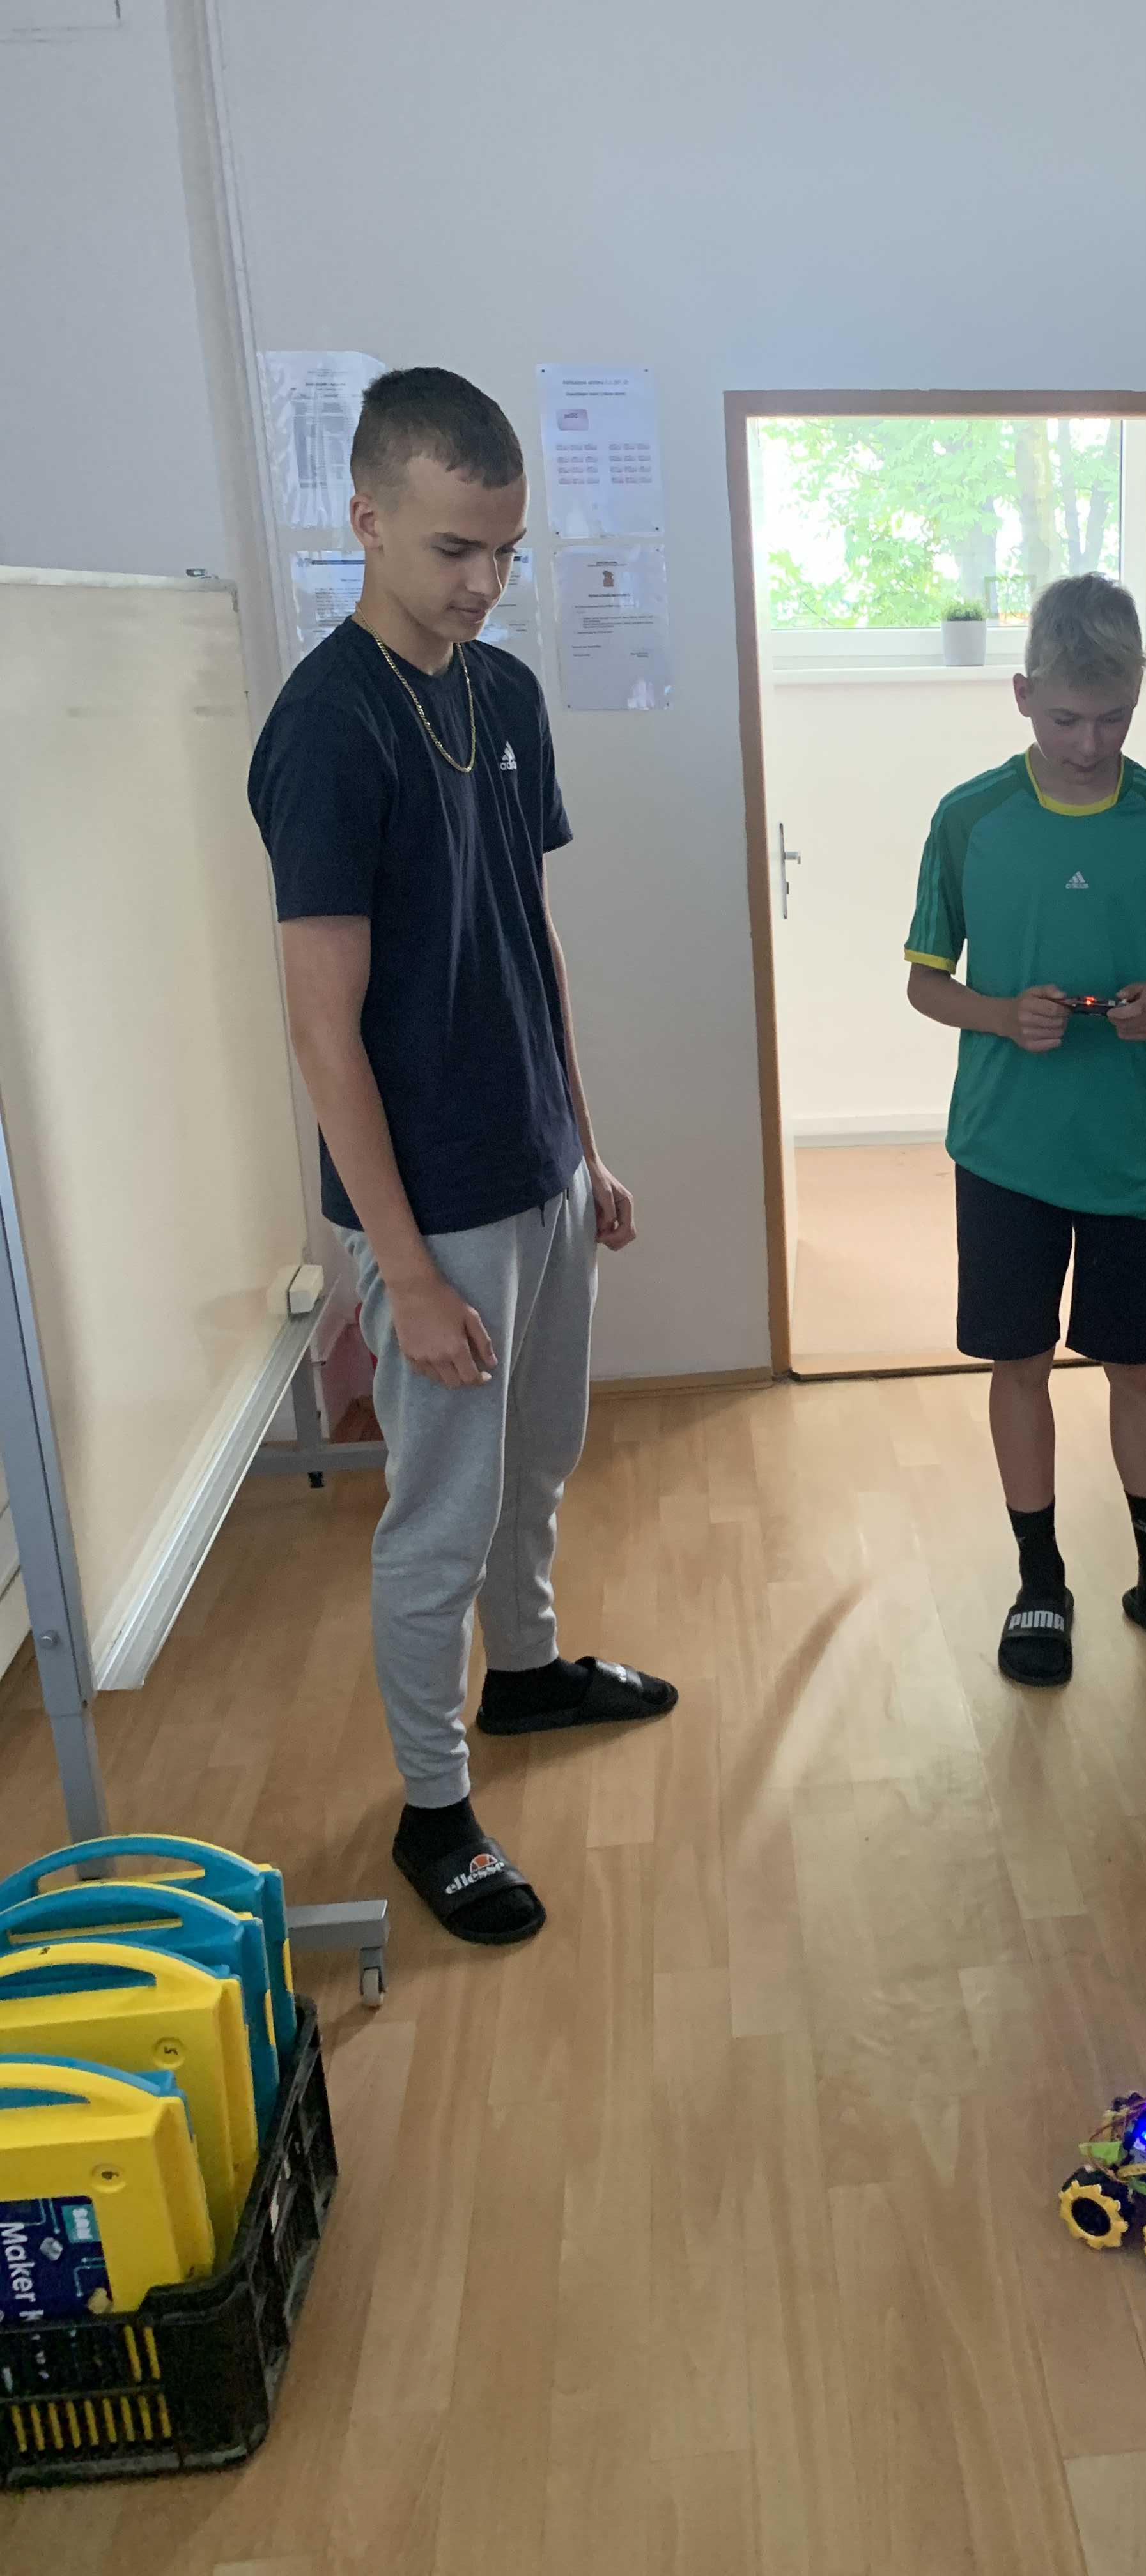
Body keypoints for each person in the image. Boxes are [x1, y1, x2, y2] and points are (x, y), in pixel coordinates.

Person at [249, 367, 675, 1949]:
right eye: (451, 550)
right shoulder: (327, 727)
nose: (485, 582)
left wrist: (585, 1145)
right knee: (438, 1513)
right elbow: (322, 1028)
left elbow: (526, 936)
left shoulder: (505, 694)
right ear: (365, 520)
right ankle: (435, 1806)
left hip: (539, 1165)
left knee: (538, 1459)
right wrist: (405, 1271)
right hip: (430, 1204)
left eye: (505, 550)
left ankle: (531, 1674)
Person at [905, 574, 1146, 1689]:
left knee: (1138, 1365)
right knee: (1020, 1362)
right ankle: (1040, 1582)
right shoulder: (969, 819)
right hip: (1004, 1148)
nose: (1090, 744)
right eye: (1065, 719)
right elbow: (925, 983)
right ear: (1023, 696)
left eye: (1113, 719)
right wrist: (1001, 1015)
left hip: (1126, 1151)